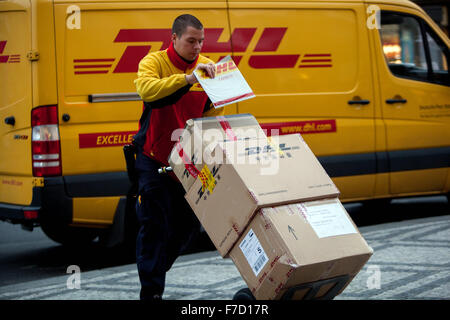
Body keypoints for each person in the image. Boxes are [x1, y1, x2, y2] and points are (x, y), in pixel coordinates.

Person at [133, 14, 224, 300]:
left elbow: (211, 115)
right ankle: (151, 292)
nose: (197, 48)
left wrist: (222, 94)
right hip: (153, 158)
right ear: (174, 38)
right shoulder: (153, 62)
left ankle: (156, 269)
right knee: (154, 227)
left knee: (186, 230)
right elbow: (148, 92)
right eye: (191, 41)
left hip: (188, 163)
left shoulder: (209, 67)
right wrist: (187, 78)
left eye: (201, 41)